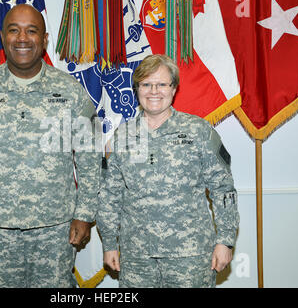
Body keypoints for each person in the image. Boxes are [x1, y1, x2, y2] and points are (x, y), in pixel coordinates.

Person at [0, 4, 100, 288]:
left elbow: (90, 158)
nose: (23, 38)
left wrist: (85, 213)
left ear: (45, 39)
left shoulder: (69, 91)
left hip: (56, 229)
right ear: (3, 37)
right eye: (14, 30)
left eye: (32, 31)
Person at [96, 54, 239, 288]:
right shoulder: (121, 137)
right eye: (146, 84)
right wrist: (110, 243)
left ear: (173, 89)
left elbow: (223, 189)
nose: (154, 91)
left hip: (190, 257)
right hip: (137, 258)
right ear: (137, 89)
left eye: (162, 84)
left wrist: (225, 241)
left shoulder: (199, 131)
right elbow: (109, 195)